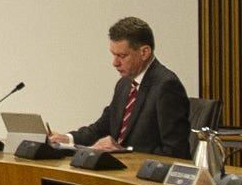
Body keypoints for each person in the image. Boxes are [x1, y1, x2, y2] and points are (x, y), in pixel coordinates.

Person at [51, 17, 192, 157]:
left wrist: (123, 152)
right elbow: (102, 128)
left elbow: (176, 151)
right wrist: (67, 139)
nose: (115, 63)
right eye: (113, 55)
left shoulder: (166, 86)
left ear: (144, 52)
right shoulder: (124, 84)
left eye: (122, 56)